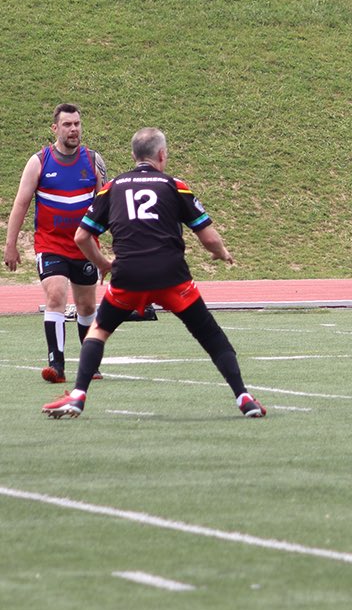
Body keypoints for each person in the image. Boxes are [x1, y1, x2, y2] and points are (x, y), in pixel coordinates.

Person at [42, 127, 265, 419]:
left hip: (128, 277)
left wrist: (104, 263)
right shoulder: (175, 186)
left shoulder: (113, 188)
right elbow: (208, 237)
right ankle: (243, 397)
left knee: (98, 330)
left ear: (134, 156)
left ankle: (78, 395)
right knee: (211, 336)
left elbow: (82, 236)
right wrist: (220, 252)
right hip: (171, 277)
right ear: (162, 155)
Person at [4, 103, 106, 383]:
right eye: (67, 125)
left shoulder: (94, 160)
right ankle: (56, 365)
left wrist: (114, 244)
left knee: (86, 308)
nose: (73, 129)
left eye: (77, 124)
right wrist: (10, 245)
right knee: (56, 296)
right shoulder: (39, 161)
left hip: (85, 247)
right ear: (55, 128)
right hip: (50, 245)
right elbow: (21, 204)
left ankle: (89, 364)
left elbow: (106, 205)